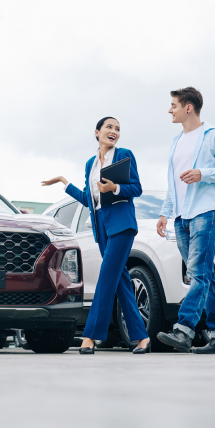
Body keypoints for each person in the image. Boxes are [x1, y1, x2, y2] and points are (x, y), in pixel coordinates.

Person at [42, 117, 150, 354]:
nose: (114, 132)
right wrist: (64, 182)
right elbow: (89, 201)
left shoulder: (124, 154)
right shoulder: (90, 164)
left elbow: (137, 188)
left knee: (107, 277)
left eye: (118, 129)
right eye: (109, 127)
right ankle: (142, 337)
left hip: (121, 224)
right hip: (102, 228)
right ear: (97, 132)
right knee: (120, 282)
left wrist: (115, 188)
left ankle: (90, 336)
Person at [155, 87, 215, 354]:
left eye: (174, 105)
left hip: (206, 212)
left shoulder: (213, 135)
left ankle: (184, 330)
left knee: (198, 273)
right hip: (182, 217)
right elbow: (173, 183)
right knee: (204, 275)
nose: (170, 110)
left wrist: (203, 173)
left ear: (188, 107)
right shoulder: (176, 141)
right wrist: (165, 213)